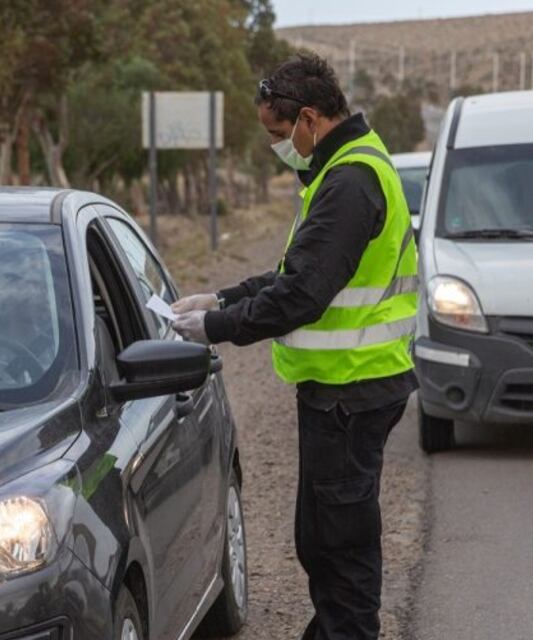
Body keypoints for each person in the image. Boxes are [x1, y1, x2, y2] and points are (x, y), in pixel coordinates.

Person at [172, 53, 419, 640]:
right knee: (321, 535)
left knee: (341, 543)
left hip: (354, 390)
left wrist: (220, 328)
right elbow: (295, 273)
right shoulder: (341, 172)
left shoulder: (351, 180)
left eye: (280, 134)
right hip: (342, 389)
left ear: (310, 118)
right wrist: (221, 297)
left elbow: (303, 295)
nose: (278, 147)